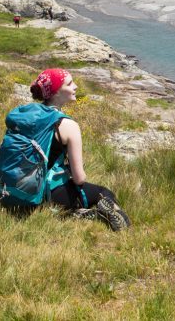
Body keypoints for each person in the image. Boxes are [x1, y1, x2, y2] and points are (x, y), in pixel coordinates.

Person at [25, 68, 130, 230]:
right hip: (48, 193)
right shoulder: (68, 125)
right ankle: (117, 224)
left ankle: (74, 212)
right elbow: (79, 178)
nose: (76, 86)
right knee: (103, 192)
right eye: (69, 83)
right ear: (56, 92)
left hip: (19, 188)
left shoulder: (27, 116)